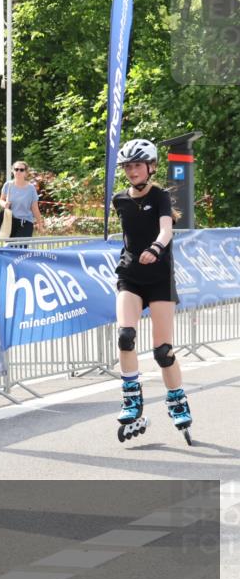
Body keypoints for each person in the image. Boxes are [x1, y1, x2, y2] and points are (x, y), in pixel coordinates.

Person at [111, 138, 194, 445]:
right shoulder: (119, 199)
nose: (132, 171)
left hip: (158, 277)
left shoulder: (159, 195)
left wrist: (157, 247)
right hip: (130, 276)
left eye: (137, 165)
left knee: (162, 351)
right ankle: (132, 399)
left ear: (150, 167)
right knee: (125, 337)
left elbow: (165, 228)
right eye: (128, 166)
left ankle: (177, 399)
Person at [0, 160, 45, 238]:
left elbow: (35, 209)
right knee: (10, 249)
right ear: (13, 171)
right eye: (16, 169)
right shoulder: (7, 185)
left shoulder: (31, 188)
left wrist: (40, 225)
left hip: (26, 223)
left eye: (21, 170)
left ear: (26, 173)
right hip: (10, 222)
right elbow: (1, 200)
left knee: (20, 248)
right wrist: (4, 204)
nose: (18, 171)